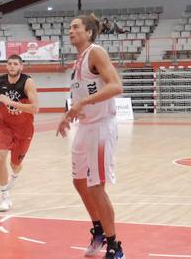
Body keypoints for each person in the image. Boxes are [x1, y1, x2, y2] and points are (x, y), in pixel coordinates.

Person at [57, 14, 125, 259]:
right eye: (70, 27)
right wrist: (67, 116)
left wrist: (83, 102)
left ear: (89, 32)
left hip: (101, 128)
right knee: (79, 181)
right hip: (84, 128)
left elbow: (116, 86)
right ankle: (97, 228)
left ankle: (115, 245)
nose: (71, 31)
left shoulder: (96, 52)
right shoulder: (78, 61)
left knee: (96, 187)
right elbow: (78, 98)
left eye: (75, 27)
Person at [0, 54, 39, 212]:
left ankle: (15, 174)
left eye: (15, 64)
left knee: (15, 164)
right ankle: (5, 196)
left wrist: (11, 102)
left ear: (21, 67)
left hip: (24, 129)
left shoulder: (28, 82)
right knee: (0, 156)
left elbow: (35, 108)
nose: (12, 66)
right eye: (9, 63)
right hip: (5, 126)